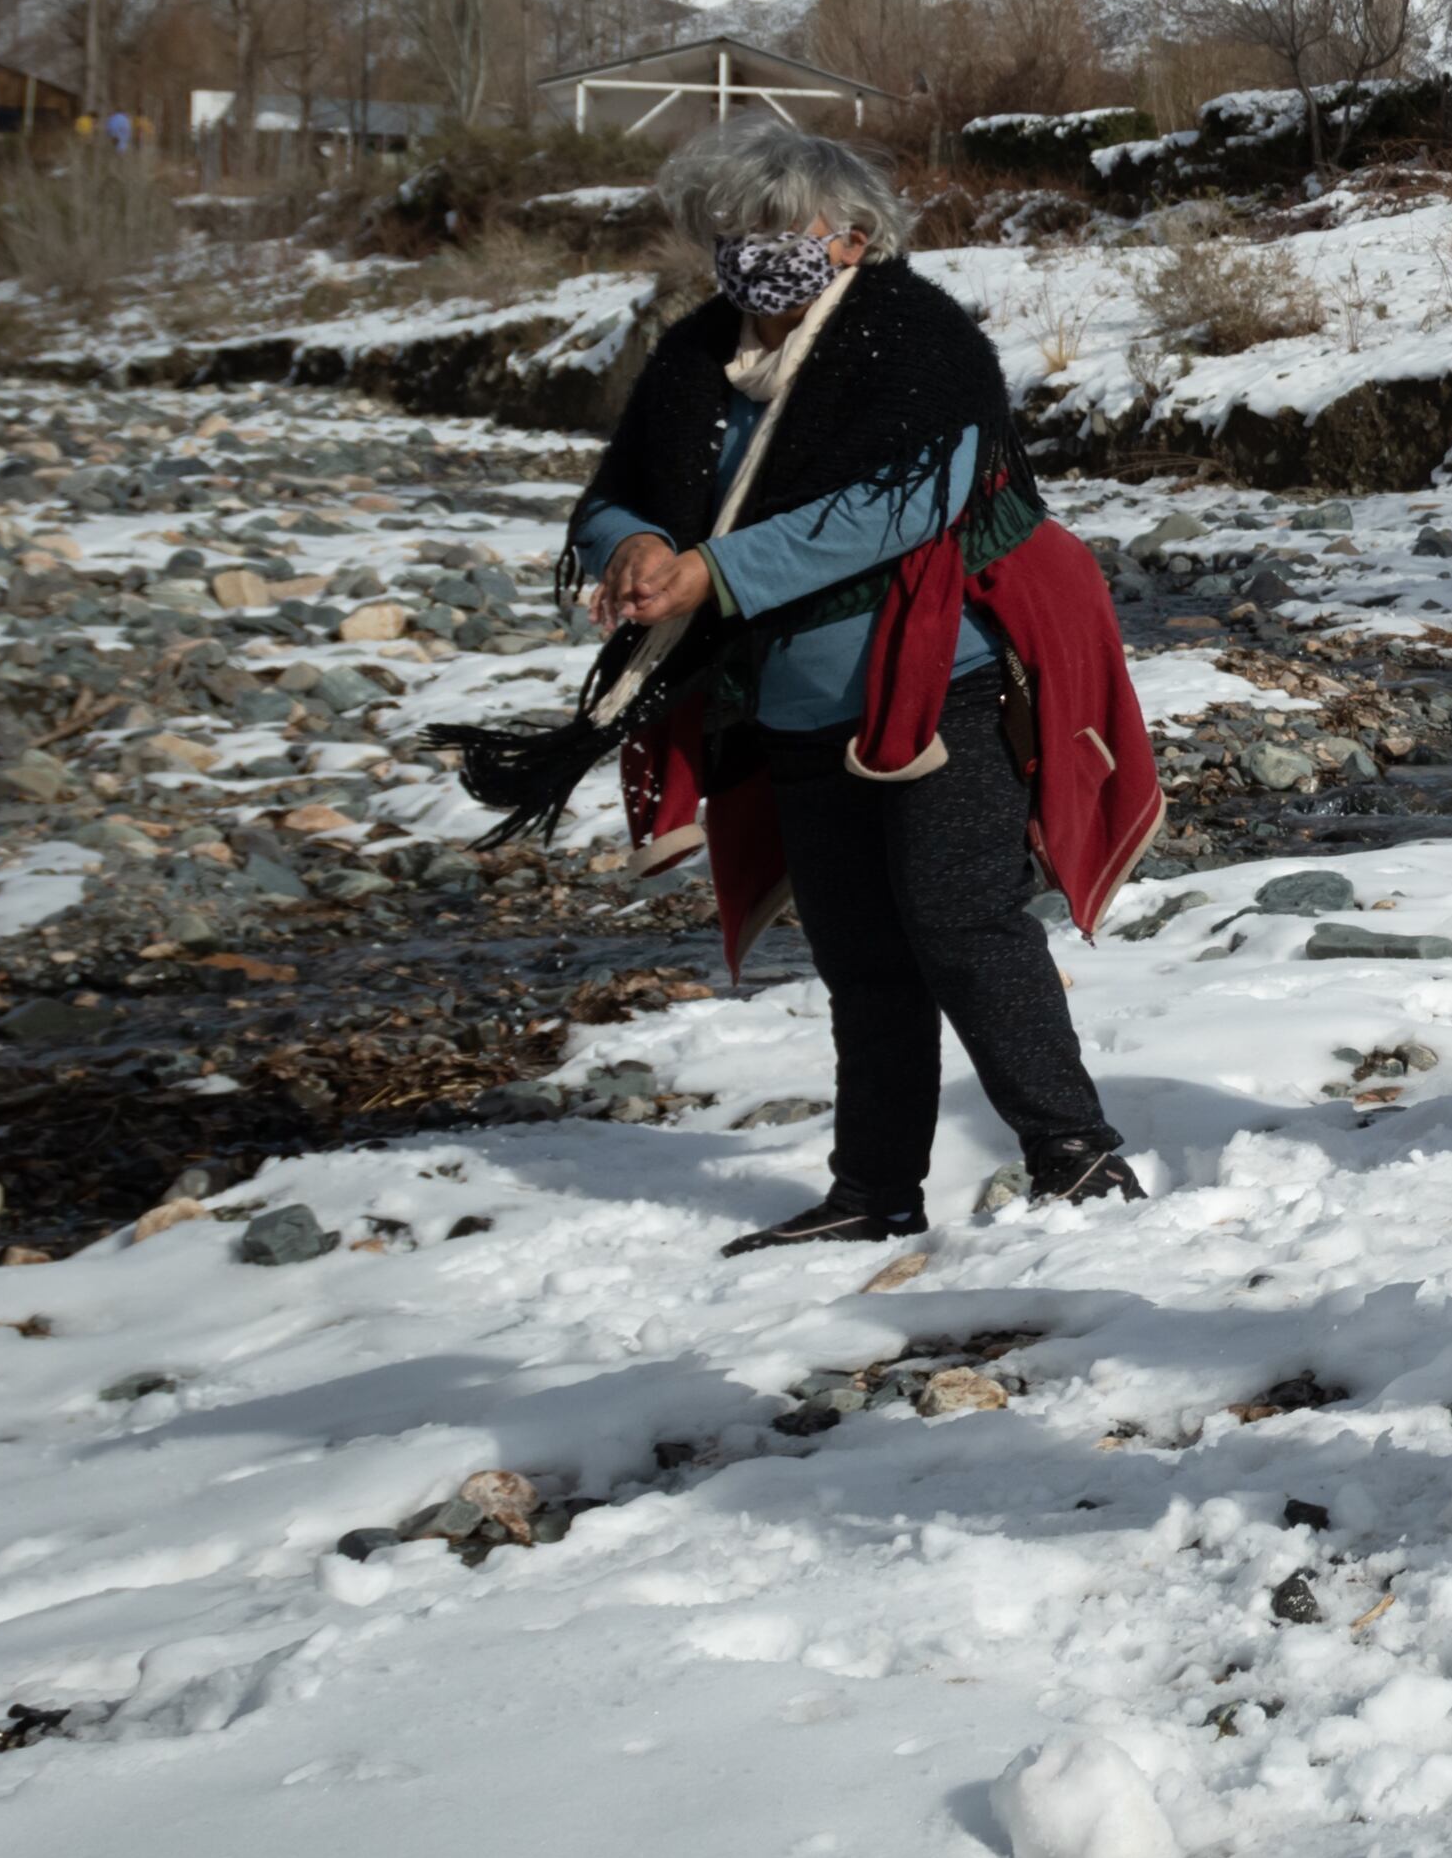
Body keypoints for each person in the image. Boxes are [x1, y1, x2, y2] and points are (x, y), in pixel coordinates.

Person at [464, 121, 1160, 1253]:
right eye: (734, 237)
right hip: (787, 702)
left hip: (942, 683)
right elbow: (614, 495)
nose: (757, 259)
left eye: (784, 236)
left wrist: (712, 571)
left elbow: (899, 508)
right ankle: (873, 1192)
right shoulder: (696, 359)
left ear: (856, 240)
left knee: (963, 925)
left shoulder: (922, 346)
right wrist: (634, 546)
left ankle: (1074, 1156)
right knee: (860, 958)